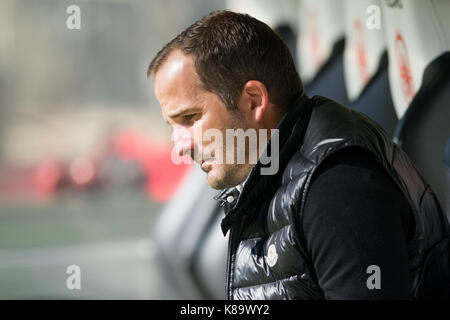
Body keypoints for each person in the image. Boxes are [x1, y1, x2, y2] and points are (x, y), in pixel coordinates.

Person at [147, 10, 450, 299]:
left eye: (190, 118)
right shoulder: (272, 176)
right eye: (172, 125)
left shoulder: (338, 183)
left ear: (254, 100)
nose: (180, 145)